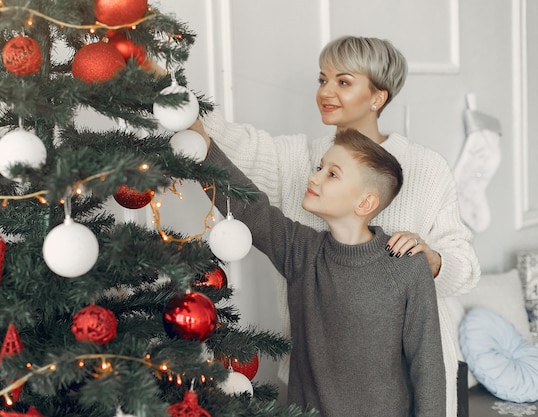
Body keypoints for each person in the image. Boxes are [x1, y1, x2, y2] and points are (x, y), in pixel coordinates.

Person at [189, 35, 480, 416]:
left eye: (343, 81)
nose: (326, 91)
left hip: (409, 388)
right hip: (316, 389)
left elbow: (462, 273)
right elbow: (240, 179)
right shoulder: (300, 185)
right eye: (322, 79)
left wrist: (432, 260)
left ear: (378, 97)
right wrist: (172, 99)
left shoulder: (426, 169)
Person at [204, 128, 446, 416]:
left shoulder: (407, 265)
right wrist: (200, 144)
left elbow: (427, 367)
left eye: (332, 174)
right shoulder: (302, 251)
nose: (313, 177)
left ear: (365, 203)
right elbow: (250, 209)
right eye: (319, 167)